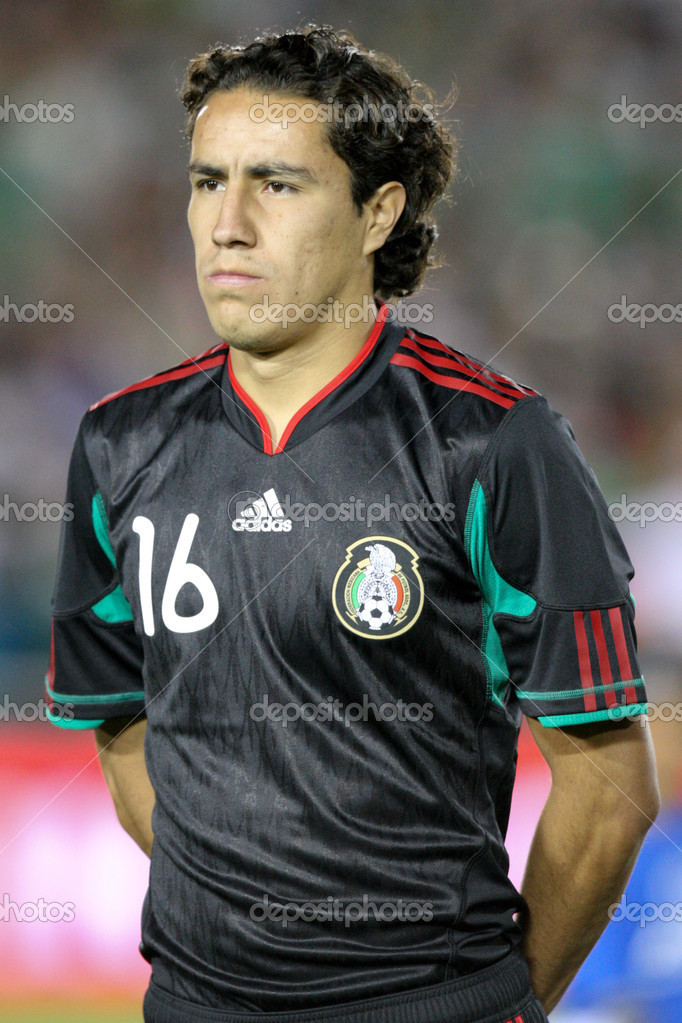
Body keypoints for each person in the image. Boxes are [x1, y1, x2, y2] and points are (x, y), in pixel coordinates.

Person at [45, 23, 660, 1023]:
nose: (226, 224)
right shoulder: (118, 445)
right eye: (208, 182)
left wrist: (499, 1004)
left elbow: (606, 786)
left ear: (378, 212)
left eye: (276, 185)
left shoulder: (493, 444)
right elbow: (118, 719)